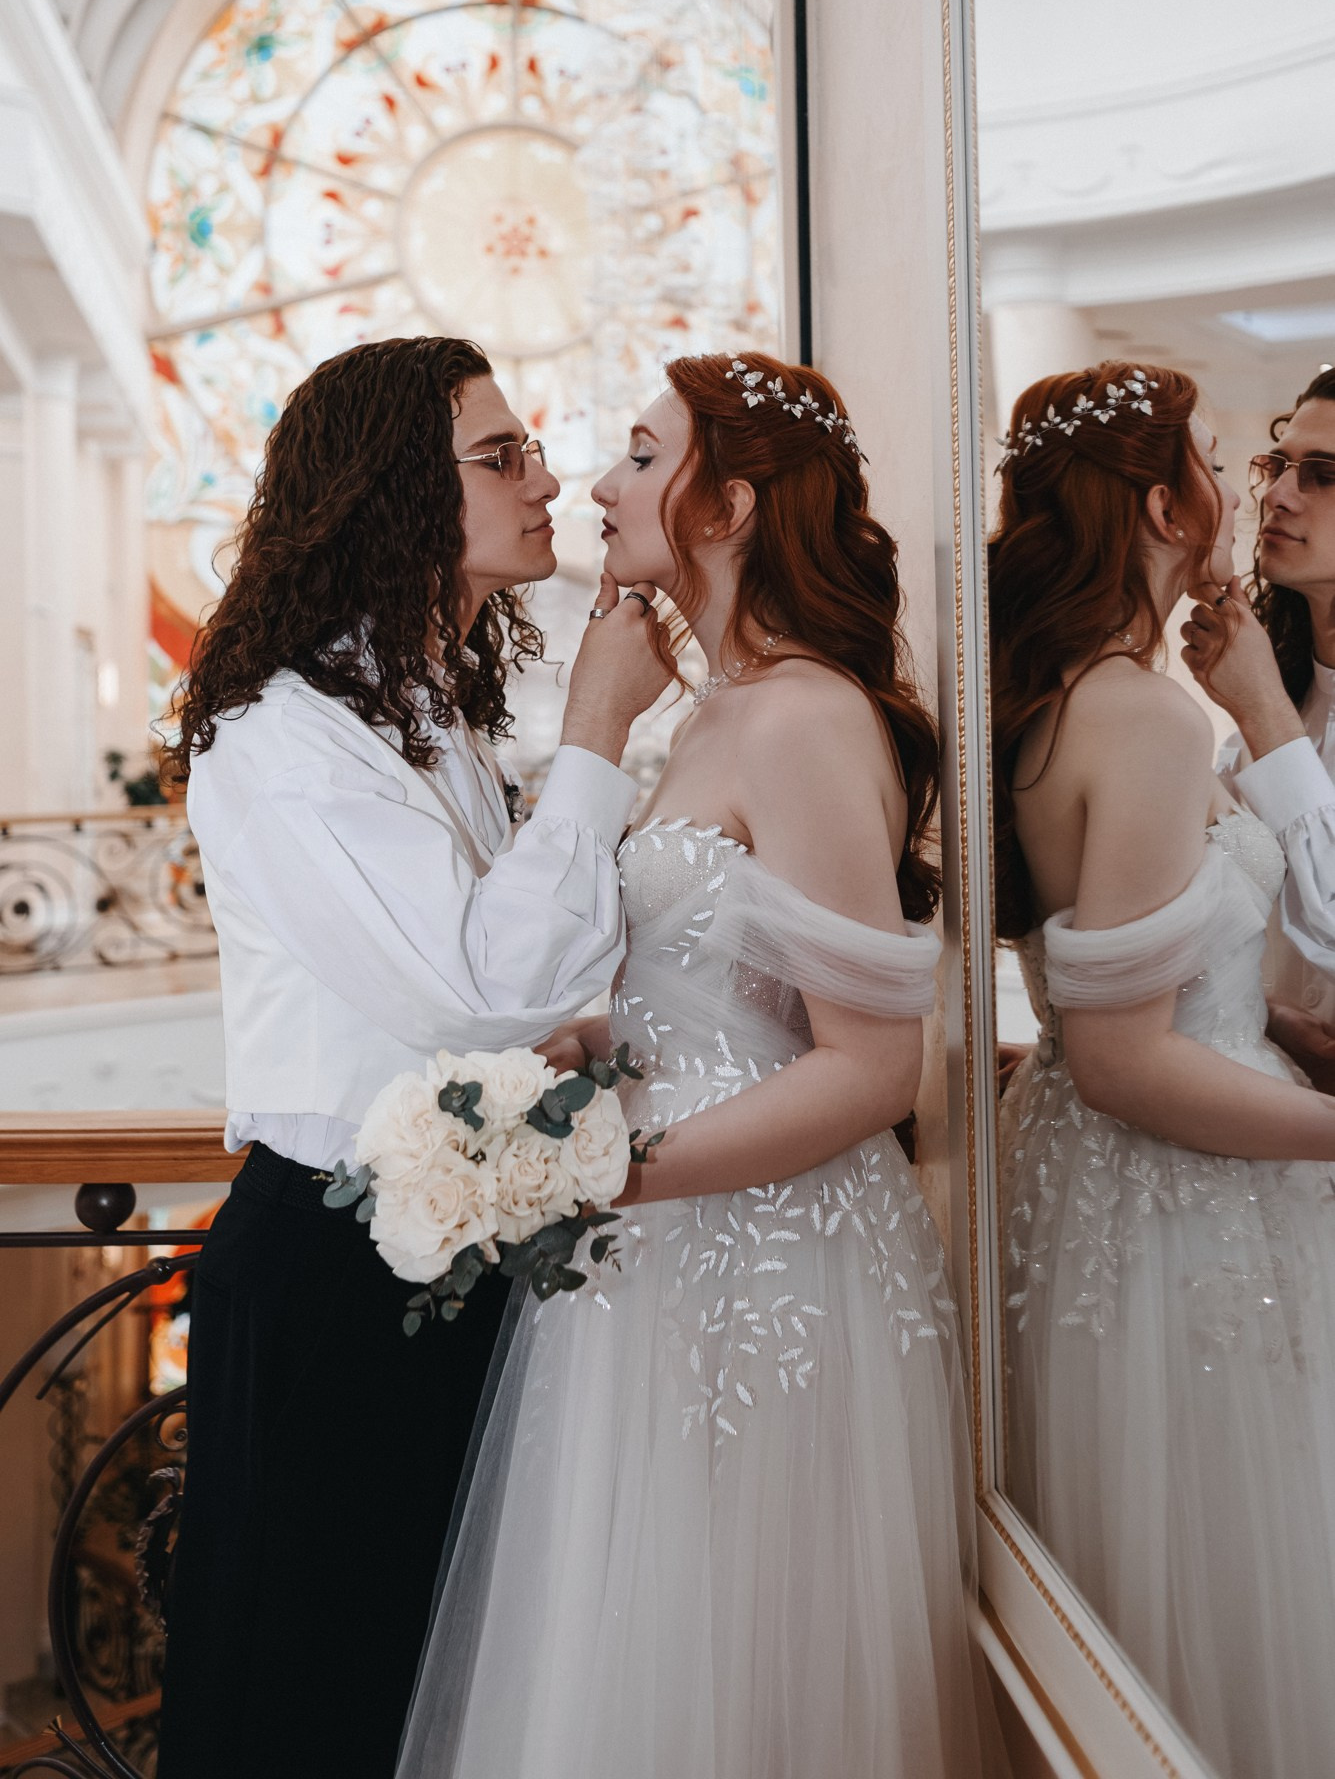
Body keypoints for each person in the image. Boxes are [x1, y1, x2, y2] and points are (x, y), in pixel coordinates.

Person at [394, 352, 997, 1779]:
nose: (597, 485)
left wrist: (602, 1167)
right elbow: (726, 988)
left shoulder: (801, 715)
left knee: (747, 1669)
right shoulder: (703, 712)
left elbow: (870, 1070)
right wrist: (590, 1049)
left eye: (639, 454)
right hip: (656, 1256)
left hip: (767, 1258)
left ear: (729, 506)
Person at [155, 335, 672, 1779]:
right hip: (329, 1274)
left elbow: (518, 981)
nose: (547, 478)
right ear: (392, 489)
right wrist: (597, 729)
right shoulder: (284, 727)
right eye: (500, 456)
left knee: (421, 1699)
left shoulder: (426, 706)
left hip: (446, 1251)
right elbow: (479, 986)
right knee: (307, 1705)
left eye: (532, 448)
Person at [992, 360, 1335, 1779]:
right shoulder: (1138, 712)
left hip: (1116, 1179)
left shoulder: (1070, 690)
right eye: (1226, 459)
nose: (1251, 489)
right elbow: (1127, 1058)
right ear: (1157, 502)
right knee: (1224, 1566)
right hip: (1182, 1200)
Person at [1181, 365, 1335, 1081]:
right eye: (1279, 465)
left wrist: (1264, 709)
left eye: (1323, 475)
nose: (1275, 495)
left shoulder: (1268, 707)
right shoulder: (1286, 694)